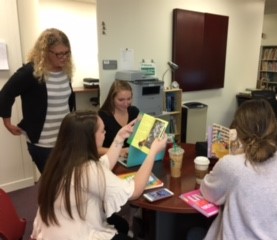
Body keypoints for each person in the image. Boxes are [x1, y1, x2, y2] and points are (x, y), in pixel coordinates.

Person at [31, 110, 167, 239]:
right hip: (74, 234)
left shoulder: (63, 160)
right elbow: (136, 190)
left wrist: (119, 138)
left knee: (121, 224)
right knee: (121, 226)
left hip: (53, 228)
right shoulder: (88, 169)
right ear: (90, 138)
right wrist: (152, 152)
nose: (105, 133)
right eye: (102, 131)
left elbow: (104, 163)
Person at [200, 99, 277, 240]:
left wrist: (229, 158)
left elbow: (207, 191)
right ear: (274, 127)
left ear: (237, 130)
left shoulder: (231, 165)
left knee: (195, 232)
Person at [0, 28, 75, 173]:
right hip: (42, 143)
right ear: (45, 52)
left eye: (66, 53)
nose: (64, 58)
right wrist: (7, 122)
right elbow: (6, 94)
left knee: (64, 181)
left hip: (65, 139)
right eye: (59, 54)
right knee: (53, 184)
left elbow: (67, 102)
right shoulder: (31, 72)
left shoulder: (66, 71)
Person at [98, 80, 139, 157]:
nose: (126, 103)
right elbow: (95, 149)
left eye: (129, 99)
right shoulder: (102, 116)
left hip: (130, 158)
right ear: (112, 99)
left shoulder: (134, 112)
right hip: (108, 159)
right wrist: (119, 151)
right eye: (121, 100)